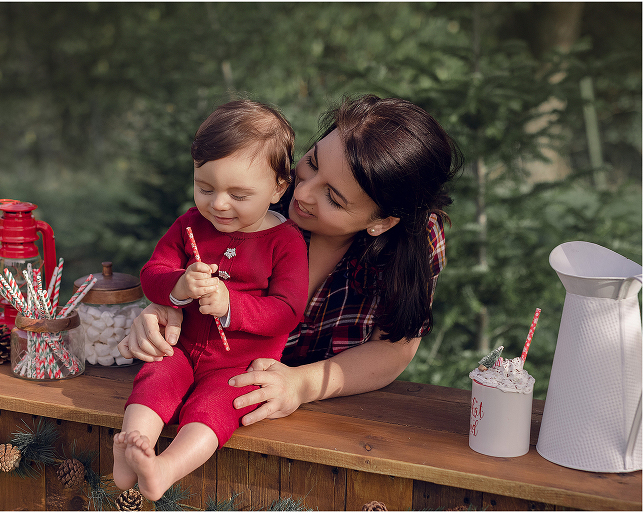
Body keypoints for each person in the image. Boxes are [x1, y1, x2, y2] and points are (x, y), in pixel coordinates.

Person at [119, 93, 461, 473]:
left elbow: (394, 348)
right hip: (205, 369)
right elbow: (186, 259)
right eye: (311, 163)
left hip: (325, 433)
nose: (302, 193)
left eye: (333, 197)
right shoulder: (258, 188)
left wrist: (301, 384)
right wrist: (159, 308)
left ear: (381, 221)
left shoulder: (416, 239)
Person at [112, 100, 309, 500]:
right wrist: (178, 286)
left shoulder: (285, 241)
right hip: (181, 349)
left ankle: (164, 468)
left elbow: (288, 312)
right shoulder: (190, 225)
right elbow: (152, 274)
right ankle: (132, 448)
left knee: (214, 409)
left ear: (278, 187)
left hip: (239, 364)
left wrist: (231, 305)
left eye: (239, 194)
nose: (218, 203)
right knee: (156, 376)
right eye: (206, 187)